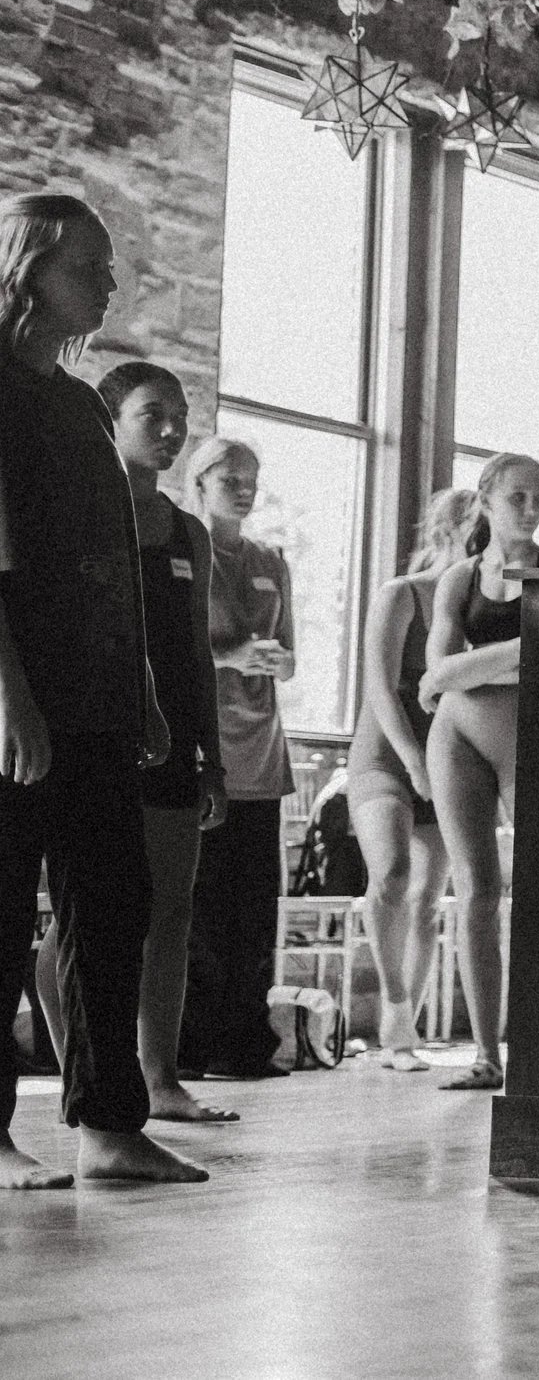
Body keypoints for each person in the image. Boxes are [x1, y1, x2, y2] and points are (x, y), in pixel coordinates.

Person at [0, 192, 204, 1187]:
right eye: (92, 266)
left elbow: (112, 554)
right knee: (3, 911)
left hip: (96, 696)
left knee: (112, 901)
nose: (111, 283)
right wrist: (11, 698)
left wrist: (147, 684)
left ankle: (110, 1124)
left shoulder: (82, 402)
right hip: (17, 699)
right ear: (29, 269)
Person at [55, 363, 229, 1124]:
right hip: (100, 725)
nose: (170, 430)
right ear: (112, 421)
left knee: (170, 910)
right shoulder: (84, 512)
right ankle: (84, 1066)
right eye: (152, 415)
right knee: (84, 917)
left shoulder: (188, 531)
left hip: (175, 742)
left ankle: (159, 1076)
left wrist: (213, 756)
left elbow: (195, 655)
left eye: (179, 416)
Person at [419, 453, 539, 1092]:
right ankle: (485, 1054)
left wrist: (466, 668)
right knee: (475, 892)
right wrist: (516, 657)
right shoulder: (460, 579)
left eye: (538, 497)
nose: (531, 508)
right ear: (488, 503)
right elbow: (433, 673)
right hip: (457, 740)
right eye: (518, 497)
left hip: (526, 741)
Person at [345, 487, 475, 1071]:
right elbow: (376, 685)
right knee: (392, 872)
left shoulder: (479, 604)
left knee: (428, 899)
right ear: (446, 533)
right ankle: (393, 1004)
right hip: (384, 753)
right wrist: (415, 761)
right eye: (472, 535)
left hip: (449, 751)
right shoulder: (402, 595)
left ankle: (405, 1024)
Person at [181, 434, 292, 1083]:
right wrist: (230, 658)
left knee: (257, 908)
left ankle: (249, 1044)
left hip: (265, 752)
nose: (246, 489)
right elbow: (177, 648)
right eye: (232, 479)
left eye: (253, 478)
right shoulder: (188, 550)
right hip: (206, 742)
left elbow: (291, 652)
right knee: (202, 906)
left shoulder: (271, 558)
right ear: (200, 483)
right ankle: (192, 1045)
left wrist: (274, 659)